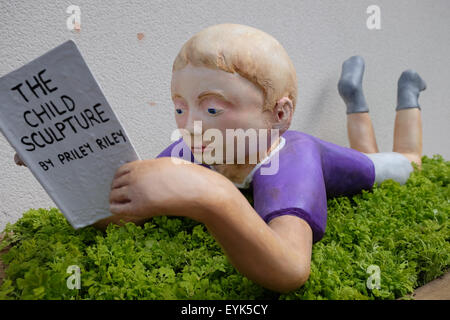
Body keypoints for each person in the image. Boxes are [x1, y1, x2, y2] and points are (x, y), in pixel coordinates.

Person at [14, 23, 426, 293]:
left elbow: (289, 270)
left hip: (333, 160)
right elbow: (123, 207)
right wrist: (62, 166)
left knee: (392, 163)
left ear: (279, 114)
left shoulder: (292, 157)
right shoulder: (188, 150)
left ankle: (400, 97)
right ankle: (354, 95)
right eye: (180, 107)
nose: (191, 125)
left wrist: (213, 194)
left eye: (212, 109)